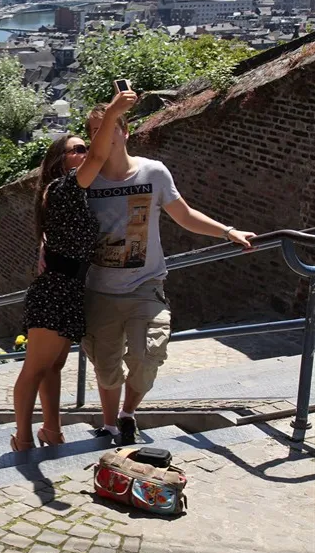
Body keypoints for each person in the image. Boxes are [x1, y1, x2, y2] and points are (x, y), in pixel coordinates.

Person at [82, 104, 255, 445]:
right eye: (94, 130)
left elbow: (185, 215)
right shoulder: (86, 180)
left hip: (146, 286)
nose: (103, 135)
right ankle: (111, 427)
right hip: (99, 290)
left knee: (148, 356)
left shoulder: (153, 173)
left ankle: (127, 414)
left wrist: (227, 231)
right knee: (105, 365)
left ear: (126, 131)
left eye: (110, 127)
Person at [12, 89, 138, 452]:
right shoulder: (65, 187)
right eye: (76, 149)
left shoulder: (71, 192)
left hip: (70, 289)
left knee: (53, 368)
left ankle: (52, 431)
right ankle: (22, 437)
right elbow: (101, 155)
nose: (85, 153)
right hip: (55, 290)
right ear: (60, 160)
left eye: (84, 148)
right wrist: (113, 111)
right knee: (34, 369)